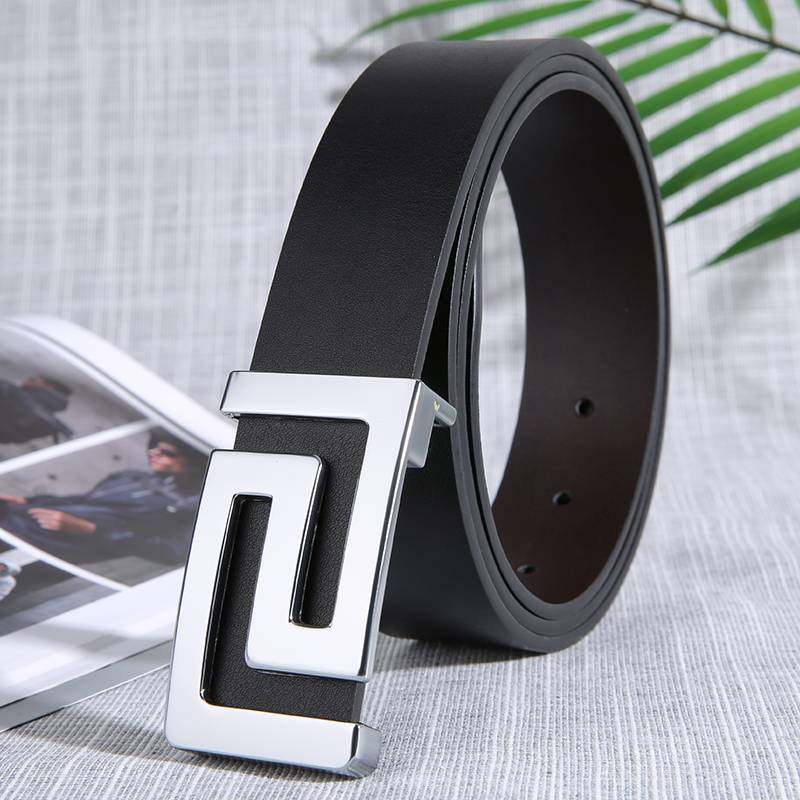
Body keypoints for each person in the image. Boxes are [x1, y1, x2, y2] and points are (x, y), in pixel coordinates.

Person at [0, 429, 205, 568]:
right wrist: (27, 501)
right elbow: (85, 500)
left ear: (192, 462)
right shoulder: (133, 477)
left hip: (60, 545)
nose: (153, 453)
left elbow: (171, 552)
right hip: (32, 519)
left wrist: (91, 530)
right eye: (154, 447)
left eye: (167, 452)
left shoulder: (192, 507)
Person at [0, 375, 73, 445]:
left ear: (48, 387)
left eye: (33, 379)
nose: (27, 380)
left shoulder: (12, 391)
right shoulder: (52, 426)